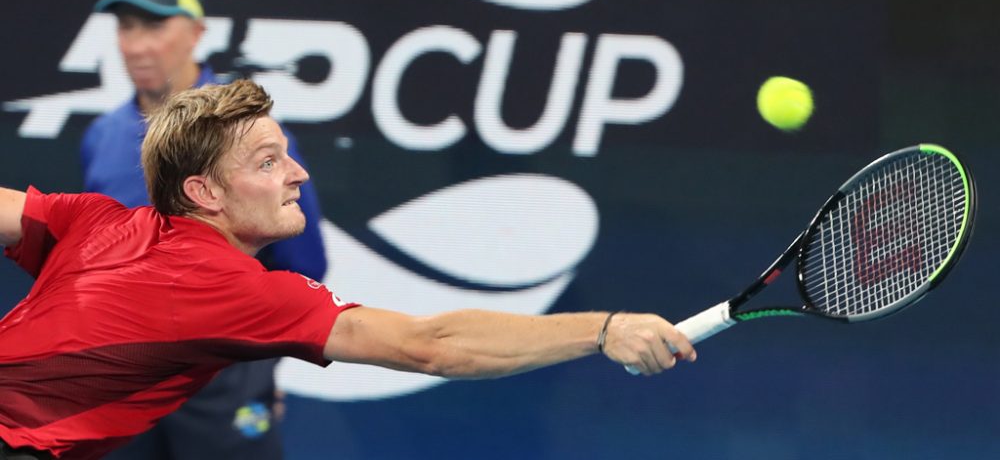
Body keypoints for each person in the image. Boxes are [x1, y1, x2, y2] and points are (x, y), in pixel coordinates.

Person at [0, 78, 697, 460]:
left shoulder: (89, 218)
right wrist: (602, 329)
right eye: (267, 162)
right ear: (204, 193)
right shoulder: (238, 291)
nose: (296, 173)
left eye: (287, 153)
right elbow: (432, 345)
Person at [78, 0, 327, 459]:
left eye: (155, 25)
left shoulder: (256, 137)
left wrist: (257, 369)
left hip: (222, 378)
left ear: (196, 32)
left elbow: (304, 267)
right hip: (122, 381)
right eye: (126, 27)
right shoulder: (101, 137)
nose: (137, 45)